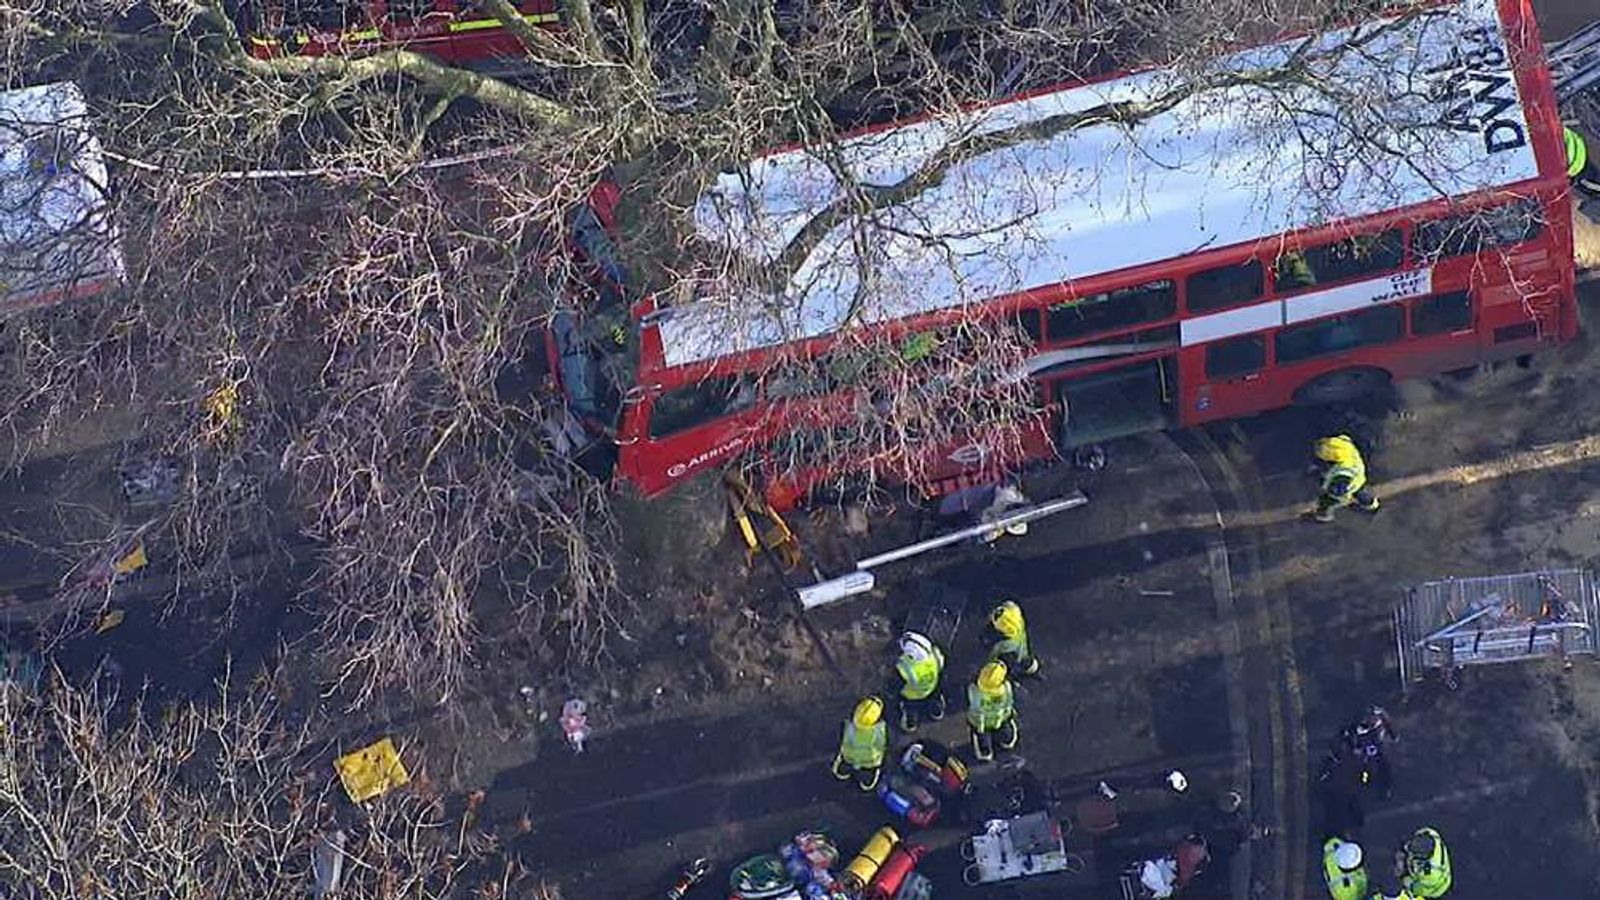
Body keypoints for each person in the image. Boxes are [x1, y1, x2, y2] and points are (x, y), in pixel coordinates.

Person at [1311, 434, 1380, 523]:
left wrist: (1330, 493)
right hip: (1359, 474)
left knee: (1326, 501)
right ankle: (1373, 506)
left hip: (1347, 483)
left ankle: (1323, 516)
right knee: (1360, 492)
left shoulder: (1342, 473)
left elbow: (1340, 493)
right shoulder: (1345, 446)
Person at [831, 696, 888, 791]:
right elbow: (881, 745)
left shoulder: (850, 727)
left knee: (843, 769)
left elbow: (844, 742)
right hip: (870, 762)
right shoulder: (879, 730)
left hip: (850, 758)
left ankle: (844, 773)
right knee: (867, 781)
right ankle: (867, 780)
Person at [966, 661, 1019, 762]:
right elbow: (1009, 702)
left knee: (982, 737)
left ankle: (985, 752)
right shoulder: (1006, 688)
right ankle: (1007, 740)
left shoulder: (974, 691)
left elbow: (972, 702)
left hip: (981, 724)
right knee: (1005, 729)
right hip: (1002, 718)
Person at [894, 631, 947, 731]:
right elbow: (941, 667)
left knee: (909, 707)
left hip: (912, 696)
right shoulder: (934, 654)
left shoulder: (905, 666)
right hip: (932, 688)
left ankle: (911, 723)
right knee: (935, 697)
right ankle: (936, 711)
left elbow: (896, 685)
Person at [988, 600, 1040, 676]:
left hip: (1002, 611)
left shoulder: (1021, 622)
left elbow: (1011, 604)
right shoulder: (1014, 645)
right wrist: (991, 661)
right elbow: (997, 648)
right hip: (996, 620)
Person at [1396, 827, 1451, 898]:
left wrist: (1406, 882)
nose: (1406, 846)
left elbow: (1421, 888)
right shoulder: (1430, 833)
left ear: (1422, 856)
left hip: (1434, 888)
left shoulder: (1429, 873)